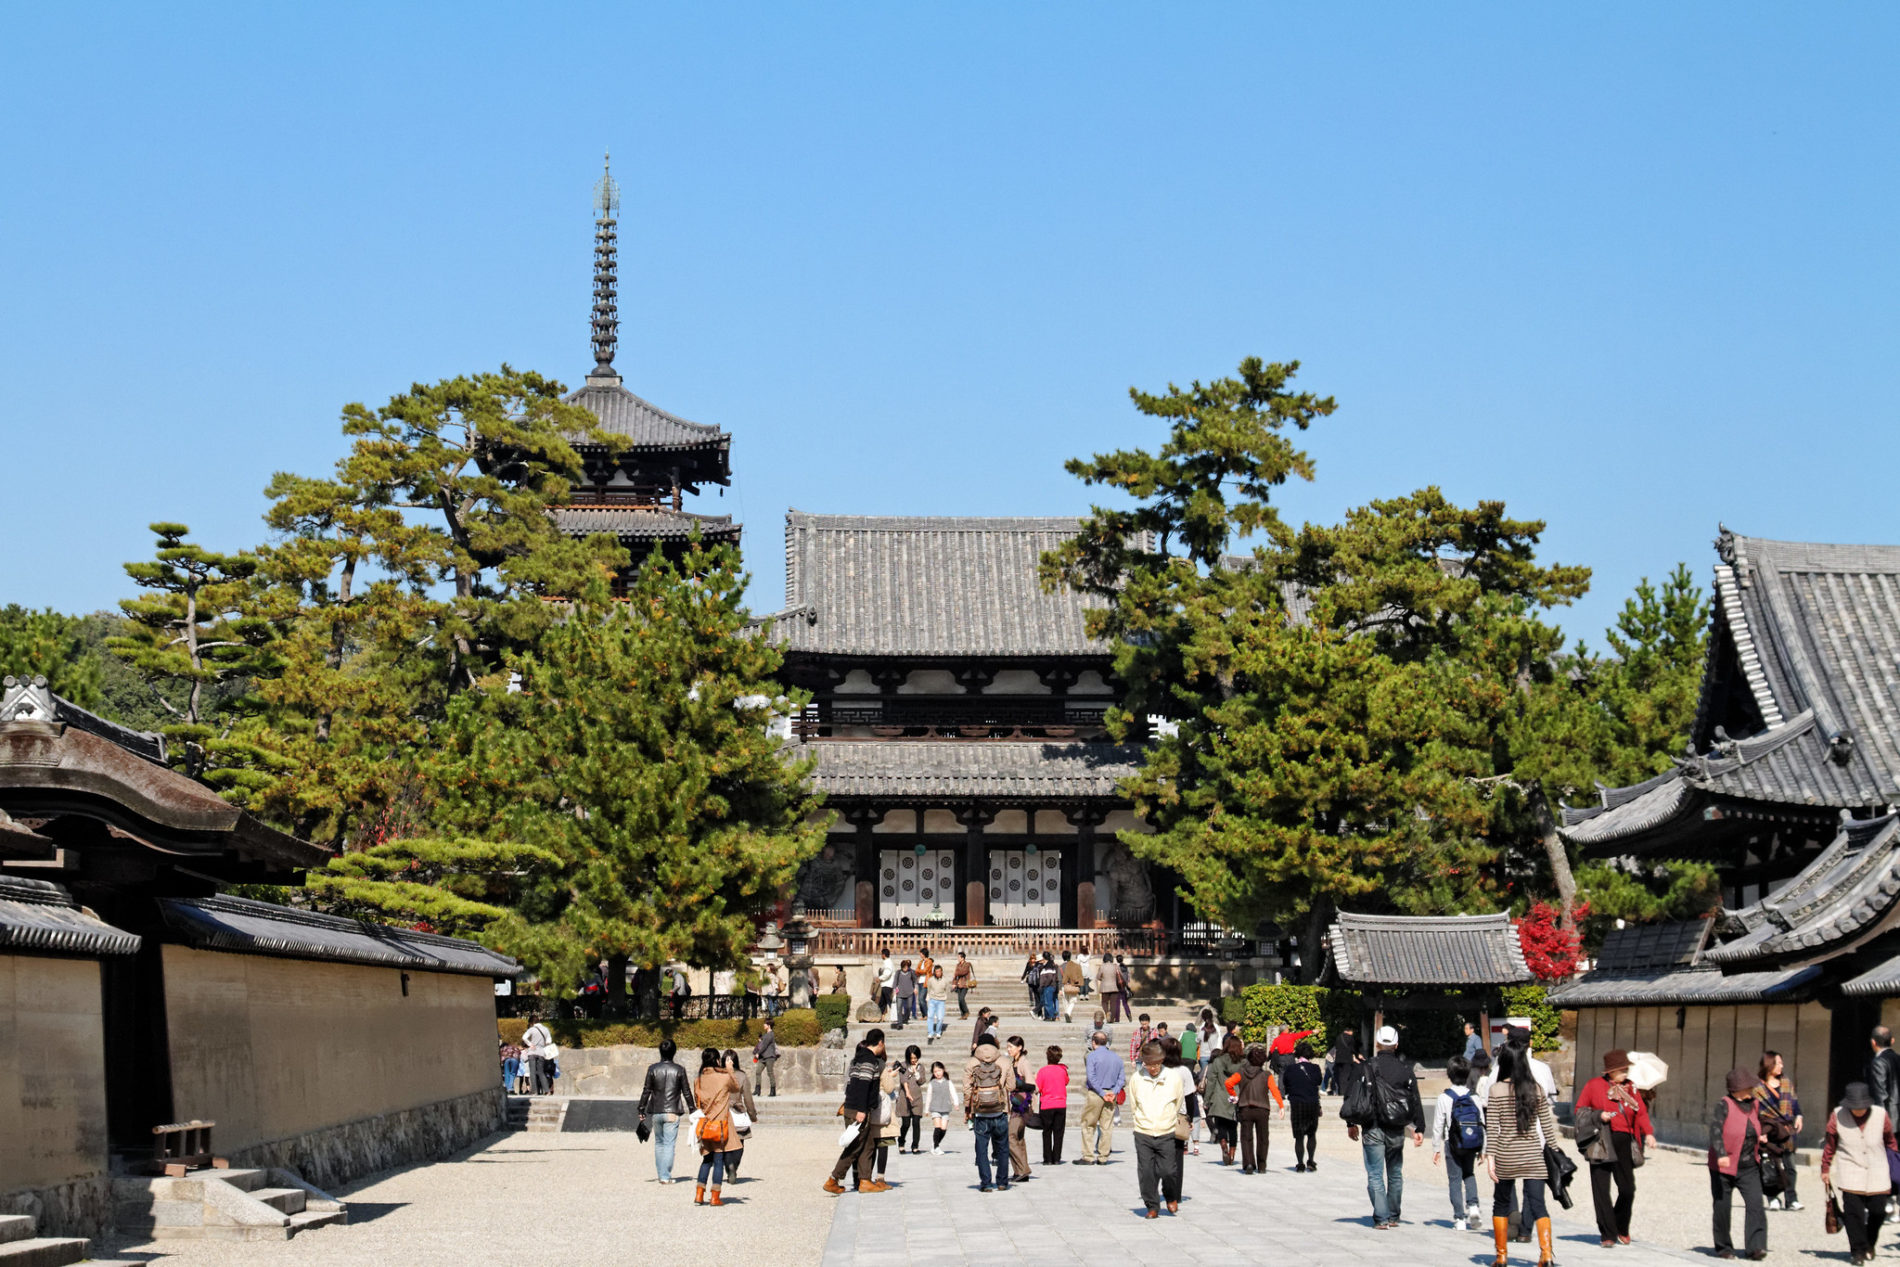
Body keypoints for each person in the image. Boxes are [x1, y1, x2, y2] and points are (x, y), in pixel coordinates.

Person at [1482, 1044, 1562, 1267]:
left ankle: (1501, 1256)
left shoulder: (1496, 1090)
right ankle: (1546, 1255)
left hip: (1506, 1154)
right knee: (1538, 1204)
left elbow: (1493, 1127)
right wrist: (1555, 1152)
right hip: (1533, 1155)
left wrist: (1490, 1158)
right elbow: (1547, 1126)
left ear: (1504, 1063)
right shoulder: (1536, 1089)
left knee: (1501, 1203)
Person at [1575, 1048, 1657, 1247]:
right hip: (1601, 1139)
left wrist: (1649, 1134)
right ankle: (1608, 1234)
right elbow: (1580, 1110)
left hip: (1624, 1141)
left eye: (1626, 1070)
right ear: (1610, 1071)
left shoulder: (1632, 1088)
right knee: (1601, 1189)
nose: (1625, 1073)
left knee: (1628, 1188)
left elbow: (1642, 1113)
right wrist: (1598, 1115)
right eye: (1621, 1070)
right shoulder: (1594, 1085)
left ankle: (1621, 1225)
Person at [1347, 1025, 1425, 1231]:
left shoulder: (1367, 1066)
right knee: (1395, 1172)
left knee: (1374, 1173)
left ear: (1377, 1043)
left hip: (1372, 1125)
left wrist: (1351, 1123)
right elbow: (1415, 1099)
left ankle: (1381, 1217)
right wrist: (1419, 1128)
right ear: (1396, 1044)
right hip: (1396, 1126)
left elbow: (1354, 1095)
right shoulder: (1405, 1069)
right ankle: (1393, 1215)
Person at [1821, 1080, 1894, 1265]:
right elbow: (1830, 1144)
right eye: (1854, 1107)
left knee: (1878, 1211)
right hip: (1850, 1168)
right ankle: (1858, 1251)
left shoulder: (1880, 1115)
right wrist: (1825, 1168)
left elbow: (1890, 1141)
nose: (1858, 1110)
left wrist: (1895, 1163)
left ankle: (1870, 1242)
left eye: (1862, 1107)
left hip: (1877, 1168)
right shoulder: (1837, 1115)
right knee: (1854, 1214)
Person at [1710, 1066, 1769, 1261]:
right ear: (1737, 1088)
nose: (1752, 1089)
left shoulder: (1754, 1104)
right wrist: (1720, 1153)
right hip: (1723, 1165)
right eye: (1748, 1086)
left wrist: (1762, 1136)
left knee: (1755, 1204)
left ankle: (1756, 1247)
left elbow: (1757, 1124)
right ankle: (1724, 1247)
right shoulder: (1724, 1104)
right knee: (1722, 1206)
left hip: (1749, 1165)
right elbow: (1715, 1129)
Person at [824, 1029, 888, 1195]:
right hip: (858, 1109)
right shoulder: (869, 1061)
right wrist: (861, 1110)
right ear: (880, 1042)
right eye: (883, 1043)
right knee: (854, 1146)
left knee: (867, 1144)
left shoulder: (858, 1058)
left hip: (852, 1106)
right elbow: (862, 1086)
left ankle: (865, 1181)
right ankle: (833, 1179)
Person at [1129, 1038, 1188, 1218]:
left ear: (1161, 1061)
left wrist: (1168, 1118)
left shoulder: (1173, 1078)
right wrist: (1141, 1121)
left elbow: (1178, 1102)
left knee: (1168, 1170)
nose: (1152, 1067)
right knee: (1146, 1171)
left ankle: (1170, 1196)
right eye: (1148, 1064)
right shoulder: (1136, 1078)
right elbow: (1133, 1105)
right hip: (1143, 1131)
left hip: (1166, 1130)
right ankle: (1152, 1205)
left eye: (1156, 1064)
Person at [1431, 1055, 1485, 1230]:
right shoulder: (1474, 1097)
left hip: (1452, 1143)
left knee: (1454, 1179)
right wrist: (1483, 1148)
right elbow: (1481, 1123)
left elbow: (1438, 1125)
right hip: (1471, 1143)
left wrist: (1435, 1148)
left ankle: (1459, 1218)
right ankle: (1474, 1205)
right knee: (1469, 1174)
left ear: (1449, 1074)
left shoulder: (1444, 1097)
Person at [638, 1037, 697, 1185]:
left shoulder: (652, 1069)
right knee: (669, 1144)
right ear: (674, 1052)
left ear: (660, 1051)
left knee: (659, 1143)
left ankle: (661, 1174)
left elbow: (647, 1091)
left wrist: (641, 1107)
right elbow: (686, 1092)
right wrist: (692, 1108)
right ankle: (665, 1175)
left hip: (656, 1110)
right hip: (672, 1110)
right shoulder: (679, 1070)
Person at [690, 1048, 742, 1206]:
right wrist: (730, 1070)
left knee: (706, 1160)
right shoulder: (724, 1077)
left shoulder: (698, 1080)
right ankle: (715, 1196)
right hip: (719, 1125)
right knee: (718, 1160)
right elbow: (736, 1088)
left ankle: (699, 1194)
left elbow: (697, 1102)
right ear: (717, 1060)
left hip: (705, 1124)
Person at [1755, 1050, 1803, 1211]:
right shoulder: (1757, 1088)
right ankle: (1772, 1197)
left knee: (1790, 1166)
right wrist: (1759, 1132)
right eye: (1778, 1063)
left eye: (1781, 1063)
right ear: (1769, 1065)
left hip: (1787, 1129)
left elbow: (1794, 1103)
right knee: (1770, 1165)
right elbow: (1754, 1112)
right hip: (1768, 1129)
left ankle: (1791, 1199)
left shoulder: (1786, 1083)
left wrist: (1799, 1116)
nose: (1781, 1066)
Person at [965, 1035, 1013, 1191]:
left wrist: (968, 1109)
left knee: (981, 1149)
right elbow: (1011, 1086)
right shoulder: (1005, 1061)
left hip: (980, 1113)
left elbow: (967, 1090)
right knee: (1003, 1149)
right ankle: (1002, 1182)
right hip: (1000, 1110)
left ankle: (986, 1183)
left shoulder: (972, 1063)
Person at [1232, 1043, 1282, 1175]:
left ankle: (1248, 1163)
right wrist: (1281, 1106)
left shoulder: (1241, 1072)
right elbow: (1275, 1091)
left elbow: (1228, 1083)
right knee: (1263, 1137)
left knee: (1246, 1136)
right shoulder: (1266, 1075)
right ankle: (1262, 1165)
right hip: (1262, 1108)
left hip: (1245, 1107)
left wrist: (1234, 1095)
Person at [1080, 1029, 1125, 1165]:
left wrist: (1101, 1093)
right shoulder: (1116, 1057)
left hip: (1096, 1094)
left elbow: (1091, 1077)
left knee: (1088, 1124)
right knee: (1107, 1126)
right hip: (1111, 1094)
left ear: (1094, 1042)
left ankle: (1088, 1156)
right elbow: (1121, 1079)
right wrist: (1113, 1092)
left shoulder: (1092, 1056)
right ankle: (1103, 1156)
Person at [1203, 1033, 1246, 1166]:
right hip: (1236, 1096)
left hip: (1220, 1096)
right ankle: (1232, 1152)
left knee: (1221, 1125)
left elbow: (1211, 1081)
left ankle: (1223, 1144)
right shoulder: (1243, 1062)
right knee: (1233, 1126)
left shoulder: (1218, 1061)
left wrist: (1207, 1099)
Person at [1284, 1039, 1324, 1172]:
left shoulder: (1290, 1069)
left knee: (1299, 1136)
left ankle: (1300, 1163)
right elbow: (1318, 1082)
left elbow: (1286, 1084)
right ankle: (1311, 1161)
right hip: (1312, 1103)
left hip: (1297, 1103)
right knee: (1311, 1134)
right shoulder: (1315, 1069)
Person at [719, 1049, 757, 1183]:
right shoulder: (742, 1076)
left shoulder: (718, 1075)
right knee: (740, 1143)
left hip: (722, 1112)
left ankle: (728, 1167)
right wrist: (752, 1115)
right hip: (738, 1111)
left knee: (724, 1144)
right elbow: (748, 1098)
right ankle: (734, 1166)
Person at [1006, 1035, 1036, 1182]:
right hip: (1016, 1105)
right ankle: (1019, 1172)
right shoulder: (1014, 1062)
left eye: (1011, 1047)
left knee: (1010, 1137)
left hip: (1023, 1106)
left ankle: (1023, 1169)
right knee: (1018, 1139)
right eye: (1008, 1047)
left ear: (1020, 1048)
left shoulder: (1025, 1063)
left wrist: (1016, 1083)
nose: (1008, 1049)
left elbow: (1032, 1086)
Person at [1038, 1045, 1071, 1164]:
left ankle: (1047, 1159)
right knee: (1059, 1132)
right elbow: (1066, 1081)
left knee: (1046, 1132)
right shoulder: (1063, 1070)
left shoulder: (1043, 1071)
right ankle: (1056, 1157)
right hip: (1060, 1104)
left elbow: (1039, 1087)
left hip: (1047, 1104)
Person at [897, 1044, 927, 1155]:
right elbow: (903, 1079)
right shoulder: (903, 1065)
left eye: (915, 1058)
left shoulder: (921, 1067)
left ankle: (915, 1146)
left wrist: (917, 1073)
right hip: (905, 1098)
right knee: (906, 1123)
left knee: (916, 1122)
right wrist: (911, 1071)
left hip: (917, 1098)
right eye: (911, 1058)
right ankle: (901, 1142)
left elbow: (922, 1081)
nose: (914, 1060)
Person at [1867, 1026, 1900, 1127]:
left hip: (1889, 1119)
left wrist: (1881, 1122)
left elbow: (1881, 1094)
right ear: (1892, 1041)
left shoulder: (1878, 1062)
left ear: (1873, 1042)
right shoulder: (1898, 1058)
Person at [926, 1060, 960, 1153]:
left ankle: (935, 1144)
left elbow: (953, 1093)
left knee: (943, 1128)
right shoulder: (932, 1083)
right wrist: (926, 1109)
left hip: (945, 1107)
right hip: (935, 1108)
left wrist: (956, 1103)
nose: (937, 1073)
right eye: (935, 1071)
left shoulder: (948, 1082)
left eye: (939, 1070)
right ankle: (936, 1147)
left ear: (943, 1070)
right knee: (937, 1127)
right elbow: (928, 1096)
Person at [521, 1019, 553, 1096]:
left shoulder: (531, 1029)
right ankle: (547, 1090)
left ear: (532, 1022)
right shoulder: (546, 1029)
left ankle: (534, 1091)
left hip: (532, 1052)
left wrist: (530, 1044)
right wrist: (544, 1044)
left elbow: (524, 1037)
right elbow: (549, 1041)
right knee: (541, 1072)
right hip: (542, 1053)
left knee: (532, 1072)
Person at [751, 1018, 780, 1098]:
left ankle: (773, 1090)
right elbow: (761, 1044)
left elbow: (764, 1046)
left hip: (769, 1056)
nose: (763, 1025)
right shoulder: (765, 1035)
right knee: (758, 1071)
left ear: (769, 1025)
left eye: (765, 1024)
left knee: (770, 1073)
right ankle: (757, 1089)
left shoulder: (770, 1035)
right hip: (763, 1057)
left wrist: (758, 1053)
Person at [925, 958, 948, 1043]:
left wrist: (944, 997)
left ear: (941, 972)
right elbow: (929, 988)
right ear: (934, 972)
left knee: (940, 1018)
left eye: (940, 971)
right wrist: (930, 997)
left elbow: (946, 989)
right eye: (937, 971)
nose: (938, 973)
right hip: (932, 999)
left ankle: (938, 1031)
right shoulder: (931, 980)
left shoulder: (945, 980)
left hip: (941, 1000)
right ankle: (931, 1032)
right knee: (930, 1016)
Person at [1096, 954, 1123, 1023]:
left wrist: (1103, 979)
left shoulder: (1102, 966)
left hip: (1104, 987)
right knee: (1113, 1003)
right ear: (1111, 959)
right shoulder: (1116, 966)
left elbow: (1098, 977)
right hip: (1114, 987)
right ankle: (1111, 1019)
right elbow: (1121, 975)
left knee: (1104, 1002)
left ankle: (1107, 1012)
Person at [1059, 951, 1085, 1023]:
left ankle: (1068, 1014)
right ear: (1070, 956)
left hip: (1064, 986)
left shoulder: (1060, 967)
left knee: (1065, 1002)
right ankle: (1068, 1013)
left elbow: (1059, 978)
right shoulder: (1075, 965)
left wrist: (1059, 989)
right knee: (1073, 1000)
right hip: (1073, 985)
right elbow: (1079, 976)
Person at [893, 958, 916, 1028]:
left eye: (907, 967)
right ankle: (900, 1023)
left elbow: (915, 980)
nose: (905, 968)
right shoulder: (898, 972)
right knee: (899, 1008)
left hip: (909, 992)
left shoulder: (911, 972)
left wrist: (915, 988)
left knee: (909, 1007)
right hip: (900, 993)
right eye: (904, 967)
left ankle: (905, 1018)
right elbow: (895, 982)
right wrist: (894, 990)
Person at [1038, 953, 1060, 1023]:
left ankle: (1053, 1014)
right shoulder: (1046, 965)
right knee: (1046, 1001)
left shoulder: (1049, 966)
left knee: (1048, 1002)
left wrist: (1045, 985)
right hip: (1048, 986)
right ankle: (1047, 1016)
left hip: (1049, 986)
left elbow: (1050, 977)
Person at [951, 952, 974, 1019]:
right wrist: (954, 983)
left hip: (965, 984)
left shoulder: (967, 964)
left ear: (962, 958)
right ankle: (963, 1015)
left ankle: (966, 1011)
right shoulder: (958, 965)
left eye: (959, 957)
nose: (958, 958)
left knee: (961, 998)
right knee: (959, 1000)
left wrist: (956, 973)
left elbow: (963, 972)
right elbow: (955, 976)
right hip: (958, 984)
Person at [876, 954, 897, 1022]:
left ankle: (896, 1016)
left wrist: (880, 978)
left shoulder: (888, 963)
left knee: (889, 1001)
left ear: (884, 955)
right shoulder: (886, 962)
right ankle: (880, 1016)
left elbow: (887, 973)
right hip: (885, 985)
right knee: (882, 1002)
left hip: (887, 985)